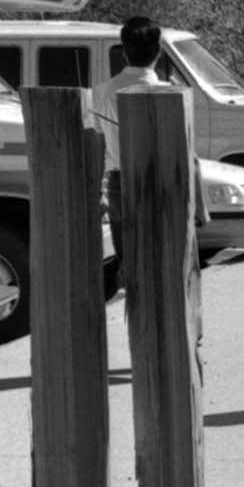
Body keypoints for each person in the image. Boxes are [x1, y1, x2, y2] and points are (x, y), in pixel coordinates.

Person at [92, 15, 164, 286]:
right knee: (160, 262)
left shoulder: (102, 92)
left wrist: (98, 192)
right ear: (159, 52)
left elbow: (97, 144)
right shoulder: (168, 92)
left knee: (131, 266)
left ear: (123, 52)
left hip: (119, 183)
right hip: (160, 181)